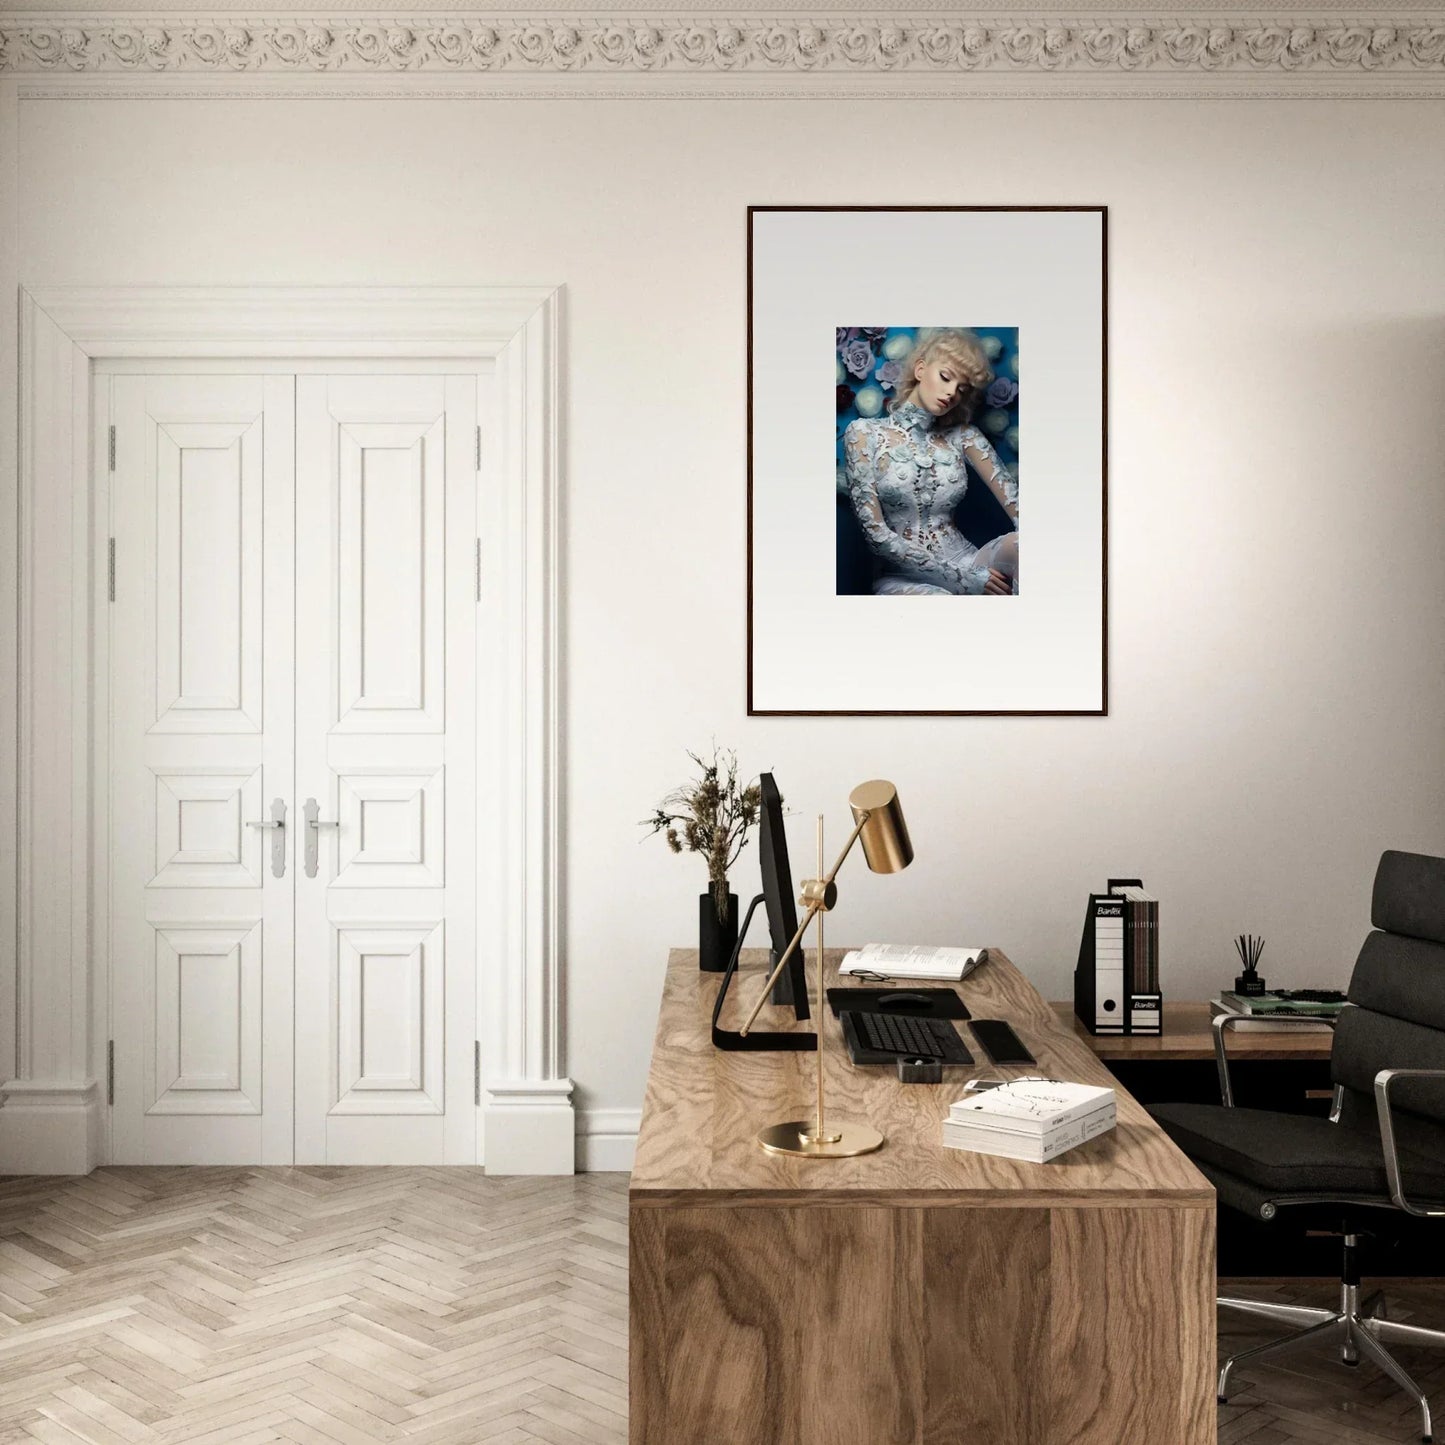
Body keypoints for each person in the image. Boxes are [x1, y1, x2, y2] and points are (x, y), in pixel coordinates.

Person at [842, 329, 1018, 596]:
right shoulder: (864, 434)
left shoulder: (964, 436)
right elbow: (876, 535)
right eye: (945, 377)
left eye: (962, 388)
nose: (951, 393)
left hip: (969, 561)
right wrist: (965, 579)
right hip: (901, 577)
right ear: (921, 369)